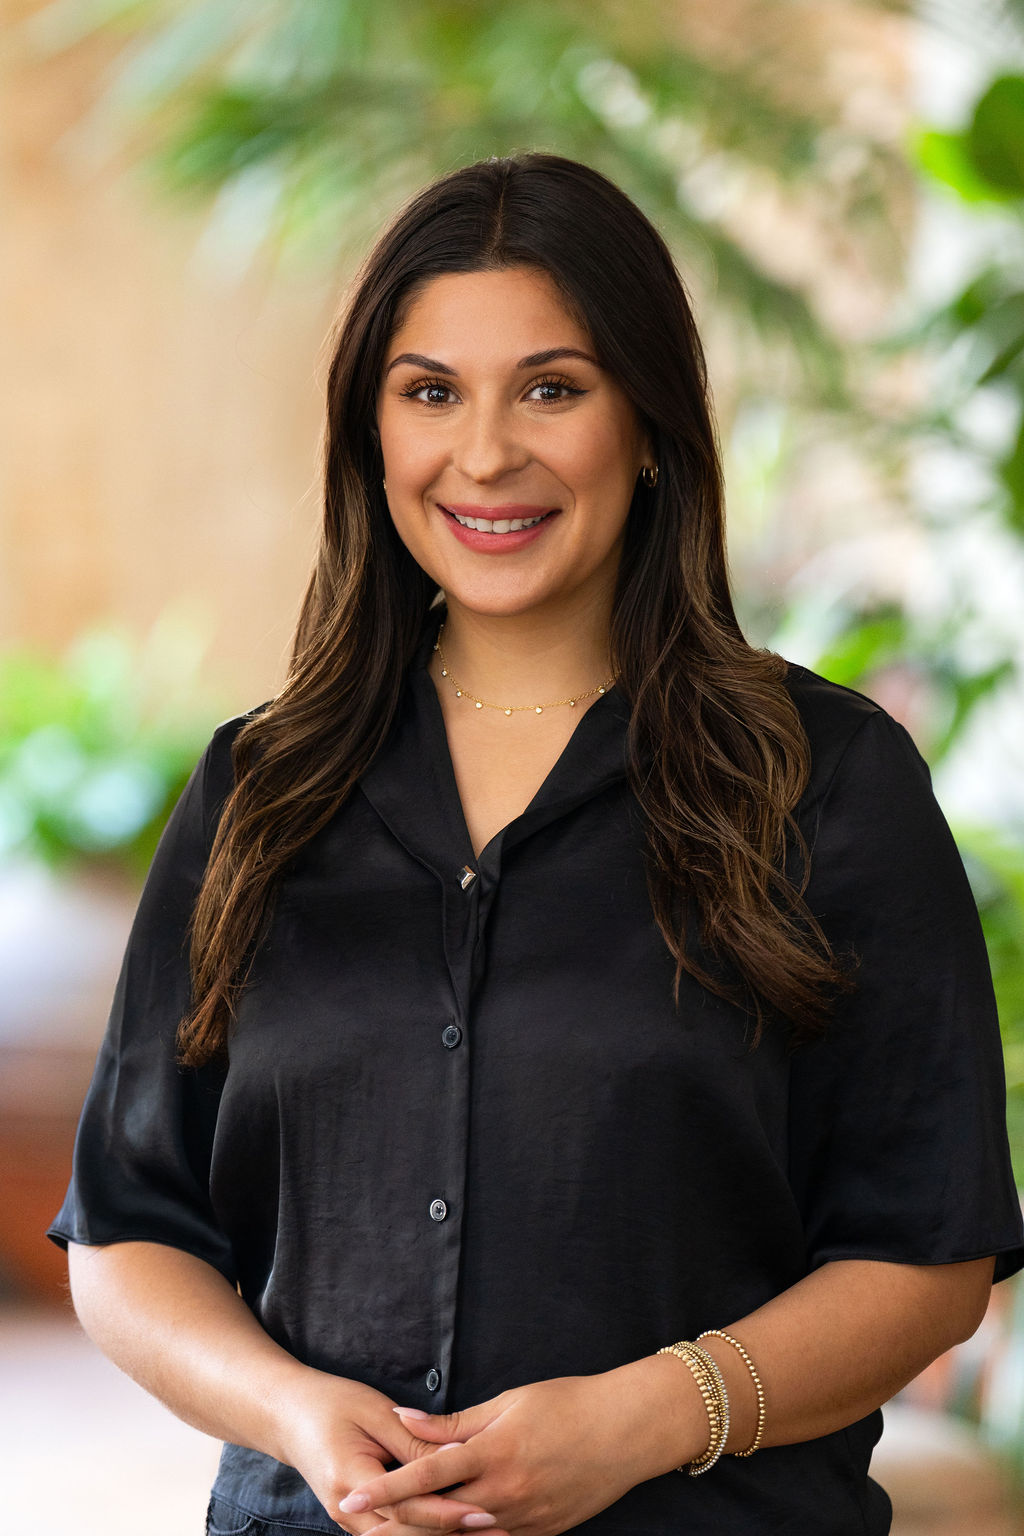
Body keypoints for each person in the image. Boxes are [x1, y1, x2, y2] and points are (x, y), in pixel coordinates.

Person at [48, 150, 1024, 1536]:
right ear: (370, 431)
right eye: (430, 391)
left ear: (649, 420)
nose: (486, 452)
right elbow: (130, 1229)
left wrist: (641, 1421)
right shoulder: (259, 789)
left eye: (551, 389)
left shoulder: (827, 782)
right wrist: (293, 1415)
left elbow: (929, 1250)